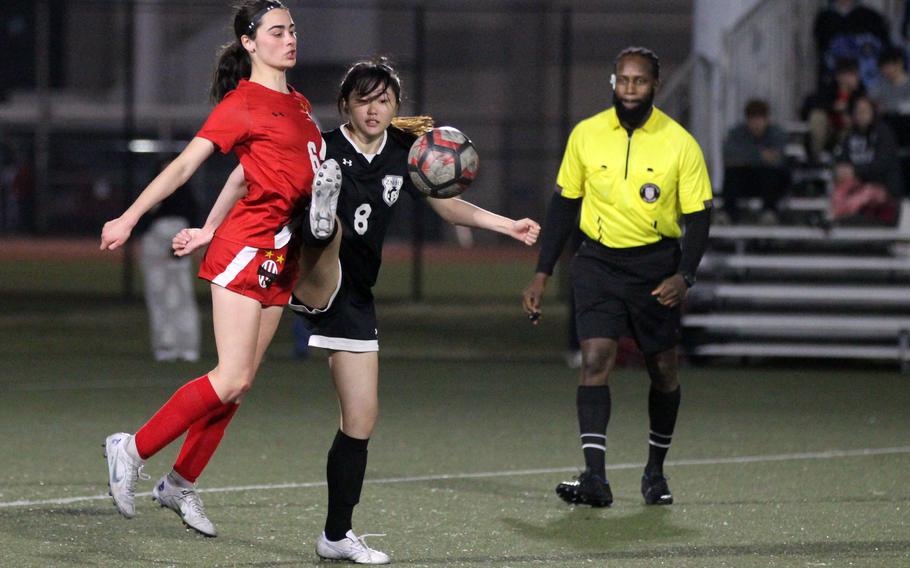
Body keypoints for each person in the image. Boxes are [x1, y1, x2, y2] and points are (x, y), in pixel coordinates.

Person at [175, 58, 540, 563]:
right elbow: (243, 176)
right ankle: (322, 222)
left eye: (384, 100)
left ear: (396, 106)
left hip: (354, 296)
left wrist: (508, 225)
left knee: (356, 417)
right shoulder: (320, 145)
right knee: (324, 235)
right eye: (364, 100)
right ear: (345, 103)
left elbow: (448, 204)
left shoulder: (406, 152)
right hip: (299, 269)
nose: (374, 109)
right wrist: (212, 230)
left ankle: (335, 534)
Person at [99, 0, 343, 539]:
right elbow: (188, 164)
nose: (290, 38)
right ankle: (131, 448)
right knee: (228, 375)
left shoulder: (300, 105)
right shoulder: (243, 103)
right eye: (277, 31)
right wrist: (131, 215)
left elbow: (241, 177)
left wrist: (206, 227)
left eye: (293, 29)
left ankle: (179, 483)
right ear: (250, 43)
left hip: (283, 258)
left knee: (241, 384)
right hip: (247, 248)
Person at [522, 46, 712, 508]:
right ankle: (595, 478)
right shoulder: (586, 135)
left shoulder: (680, 142)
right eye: (623, 80)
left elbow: (700, 218)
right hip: (597, 264)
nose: (630, 89)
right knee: (595, 360)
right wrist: (542, 272)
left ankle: (654, 472)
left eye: (639, 81)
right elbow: (564, 205)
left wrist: (684, 275)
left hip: (655, 267)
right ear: (613, 82)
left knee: (664, 370)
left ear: (655, 85)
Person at [136, 159, 201, 362]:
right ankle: (166, 345)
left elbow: (193, 218)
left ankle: (187, 346)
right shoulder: (152, 193)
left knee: (180, 294)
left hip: (178, 237)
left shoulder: (184, 196)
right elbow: (143, 221)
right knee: (159, 295)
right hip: (155, 242)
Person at [831, 94, 902, 225]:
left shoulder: (884, 134)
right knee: (839, 192)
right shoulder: (850, 136)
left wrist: (854, 171)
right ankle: (838, 221)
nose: (860, 115)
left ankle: (843, 220)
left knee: (863, 195)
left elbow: (881, 166)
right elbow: (842, 161)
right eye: (857, 111)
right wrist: (841, 170)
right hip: (856, 186)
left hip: (882, 192)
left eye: (864, 111)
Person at [718, 99, 790, 225]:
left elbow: (778, 159)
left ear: (766, 119)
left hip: (769, 182)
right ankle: (728, 213)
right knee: (732, 173)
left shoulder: (777, 133)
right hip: (747, 180)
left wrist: (747, 156)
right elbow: (729, 155)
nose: (757, 123)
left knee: (771, 173)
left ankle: (769, 211)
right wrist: (760, 155)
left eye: (760, 119)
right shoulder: (737, 133)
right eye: (753, 119)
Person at [813, 0, 891, 90]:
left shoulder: (869, 15)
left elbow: (884, 43)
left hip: (868, 76)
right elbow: (822, 46)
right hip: (835, 72)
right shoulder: (825, 17)